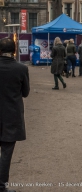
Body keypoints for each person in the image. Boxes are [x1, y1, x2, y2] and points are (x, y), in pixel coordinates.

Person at [0, 37, 30, 192]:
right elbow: (25, 93)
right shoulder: (21, 68)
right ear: (14, 51)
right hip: (11, 116)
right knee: (6, 153)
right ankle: (1, 186)